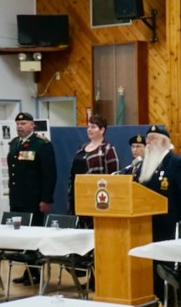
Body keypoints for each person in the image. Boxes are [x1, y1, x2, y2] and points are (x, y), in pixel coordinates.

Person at [137, 125, 181, 302]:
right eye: (147, 139)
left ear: (163, 141)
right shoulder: (144, 165)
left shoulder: (176, 163)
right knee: (152, 263)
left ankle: (173, 299)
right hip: (147, 224)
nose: (148, 142)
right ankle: (154, 297)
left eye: (152, 138)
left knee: (167, 265)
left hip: (169, 225)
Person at [7, 112, 57, 286]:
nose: (20, 126)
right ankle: (28, 270)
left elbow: (49, 175)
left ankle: (36, 272)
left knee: (33, 236)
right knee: (22, 237)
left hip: (34, 199)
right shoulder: (14, 143)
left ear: (32, 125)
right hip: (18, 198)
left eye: (23, 123)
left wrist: (46, 199)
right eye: (18, 123)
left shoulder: (41, 144)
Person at [67, 114, 119, 227]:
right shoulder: (82, 148)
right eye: (88, 126)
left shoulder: (108, 148)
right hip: (78, 196)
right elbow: (73, 174)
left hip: (97, 198)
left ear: (102, 130)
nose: (89, 130)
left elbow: (114, 176)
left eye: (93, 127)